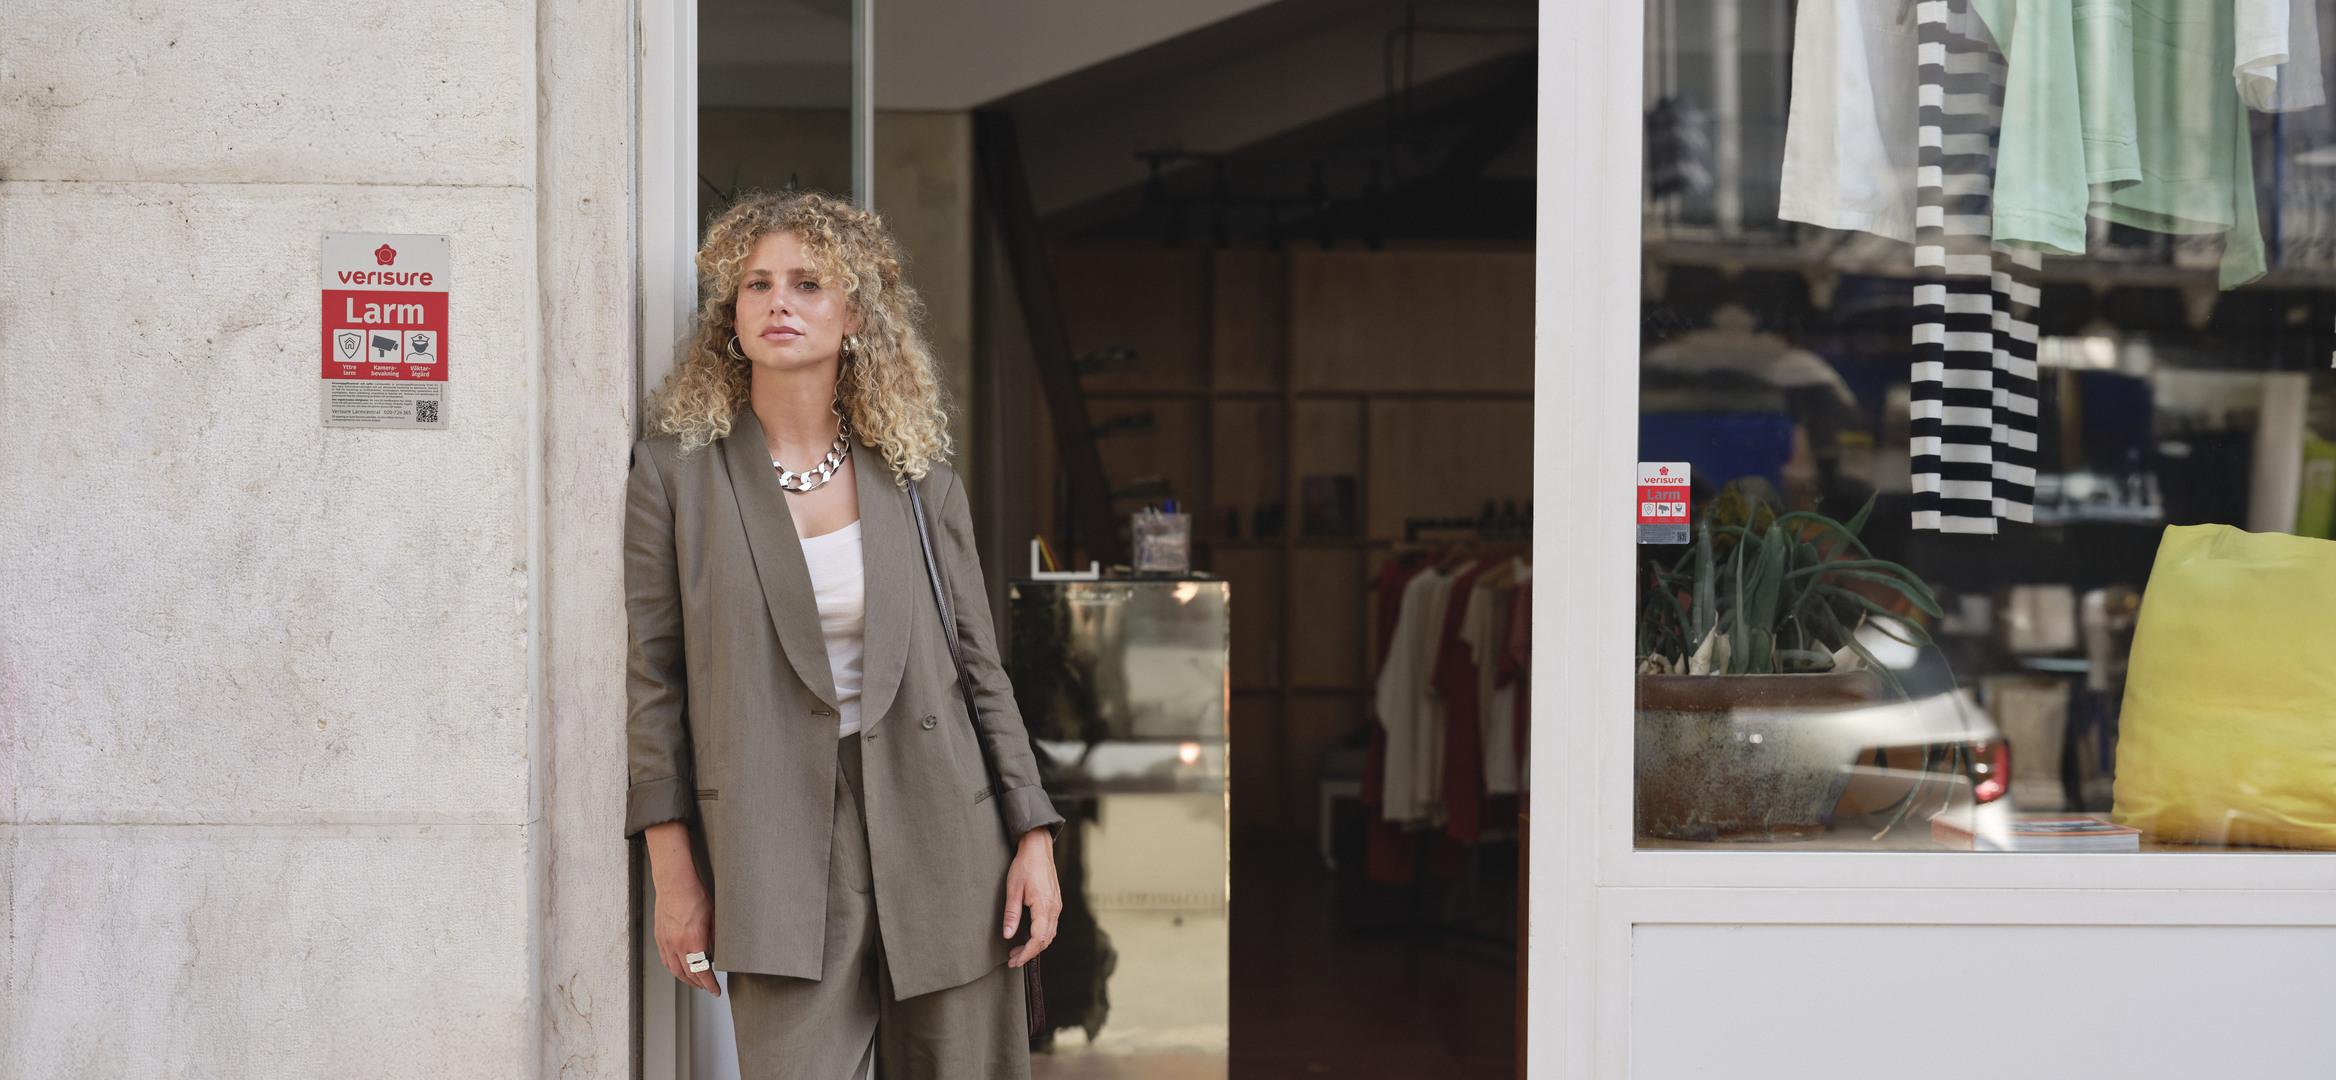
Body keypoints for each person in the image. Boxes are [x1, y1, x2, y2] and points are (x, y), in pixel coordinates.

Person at [622, 190, 1065, 1078]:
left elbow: (980, 669)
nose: (777, 302)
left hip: (944, 835)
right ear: (731, 315)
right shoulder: (676, 475)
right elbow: (652, 681)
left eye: (807, 282)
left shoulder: (915, 475)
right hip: (771, 846)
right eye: (756, 285)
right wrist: (675, 874)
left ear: (855, 312)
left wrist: (1034, 835)